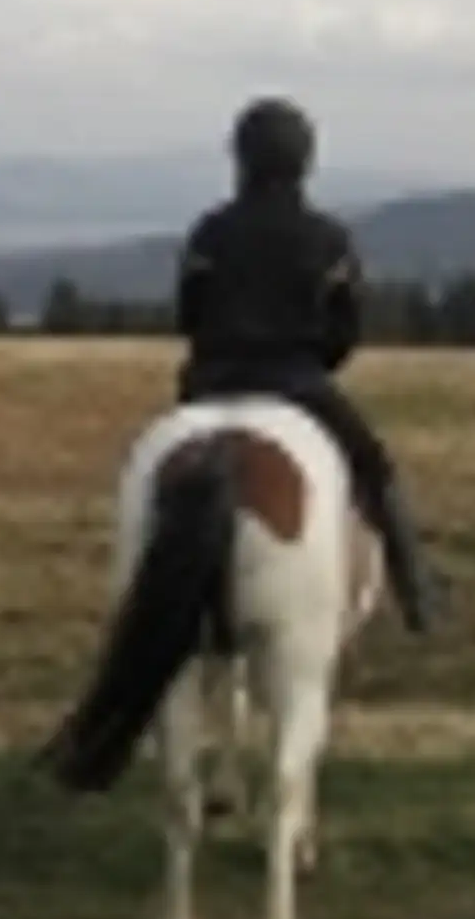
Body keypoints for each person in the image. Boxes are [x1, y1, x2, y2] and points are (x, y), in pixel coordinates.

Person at [173, 96, 439, 633]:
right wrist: (316, 361)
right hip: (297, 383)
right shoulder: (329, 239)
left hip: (210, 383)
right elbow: (345, 330)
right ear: (305, 162)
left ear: (241, 159)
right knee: (373, 465)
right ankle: (418, 591)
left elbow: (190, 315)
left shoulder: (209, 233)